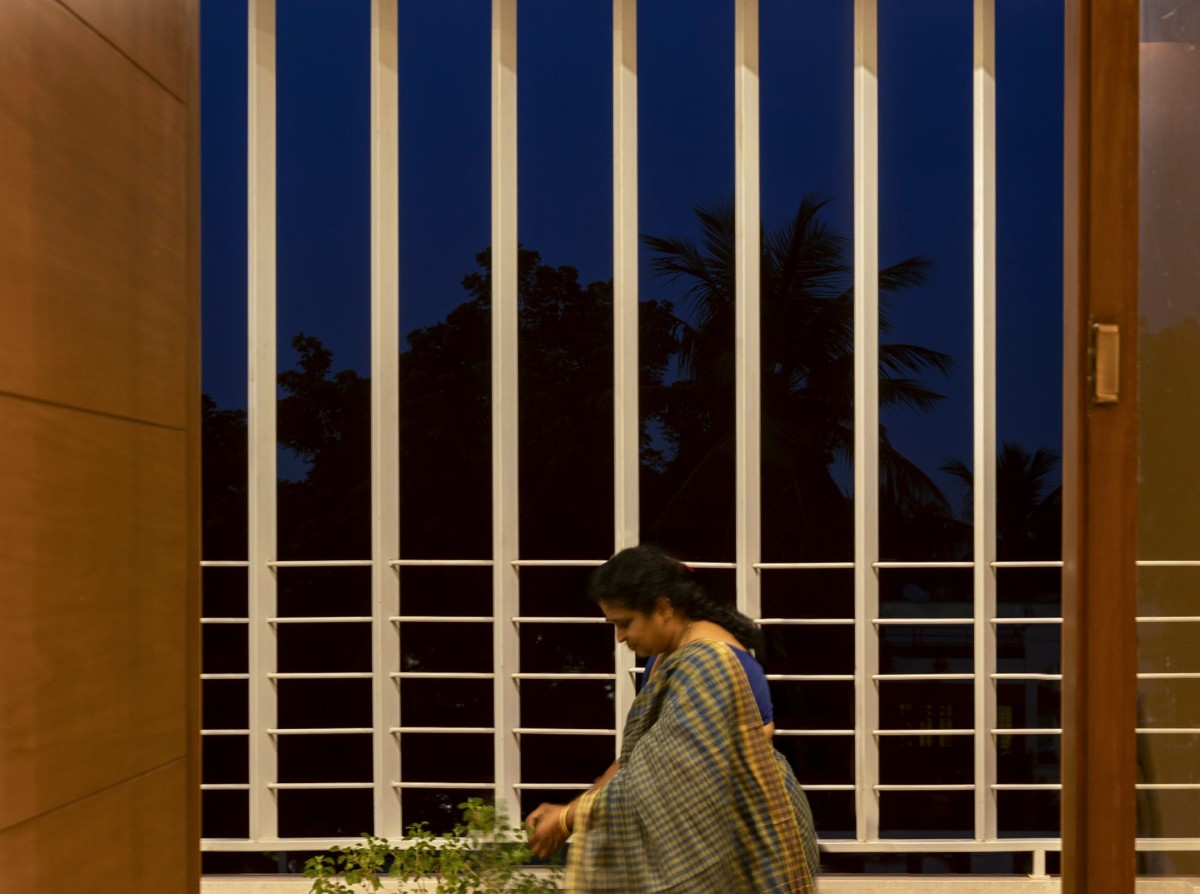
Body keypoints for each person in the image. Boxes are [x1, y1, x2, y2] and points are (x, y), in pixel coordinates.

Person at [524, 544, 819, 893]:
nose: (620, 637)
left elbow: (667, 773)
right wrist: (572, 811)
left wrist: (569, 817)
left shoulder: (715, 665)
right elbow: (642, 759)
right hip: (714, 843)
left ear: (663, 608)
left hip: (749, 850)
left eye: (625, 623)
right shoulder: (666, 657)